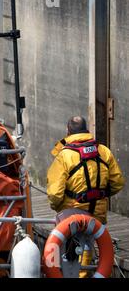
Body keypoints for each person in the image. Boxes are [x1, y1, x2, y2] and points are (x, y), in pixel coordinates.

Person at [47, 116, 125, 277]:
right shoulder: (103, 151)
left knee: (65, 250)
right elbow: (117, 182)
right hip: (97, 215)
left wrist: (57, 207)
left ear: (68, 131)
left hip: (72, 214)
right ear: (87, 130)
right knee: (88, 247)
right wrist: (101, 195)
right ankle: (85, 273)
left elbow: (55, 194)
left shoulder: (64, 156)